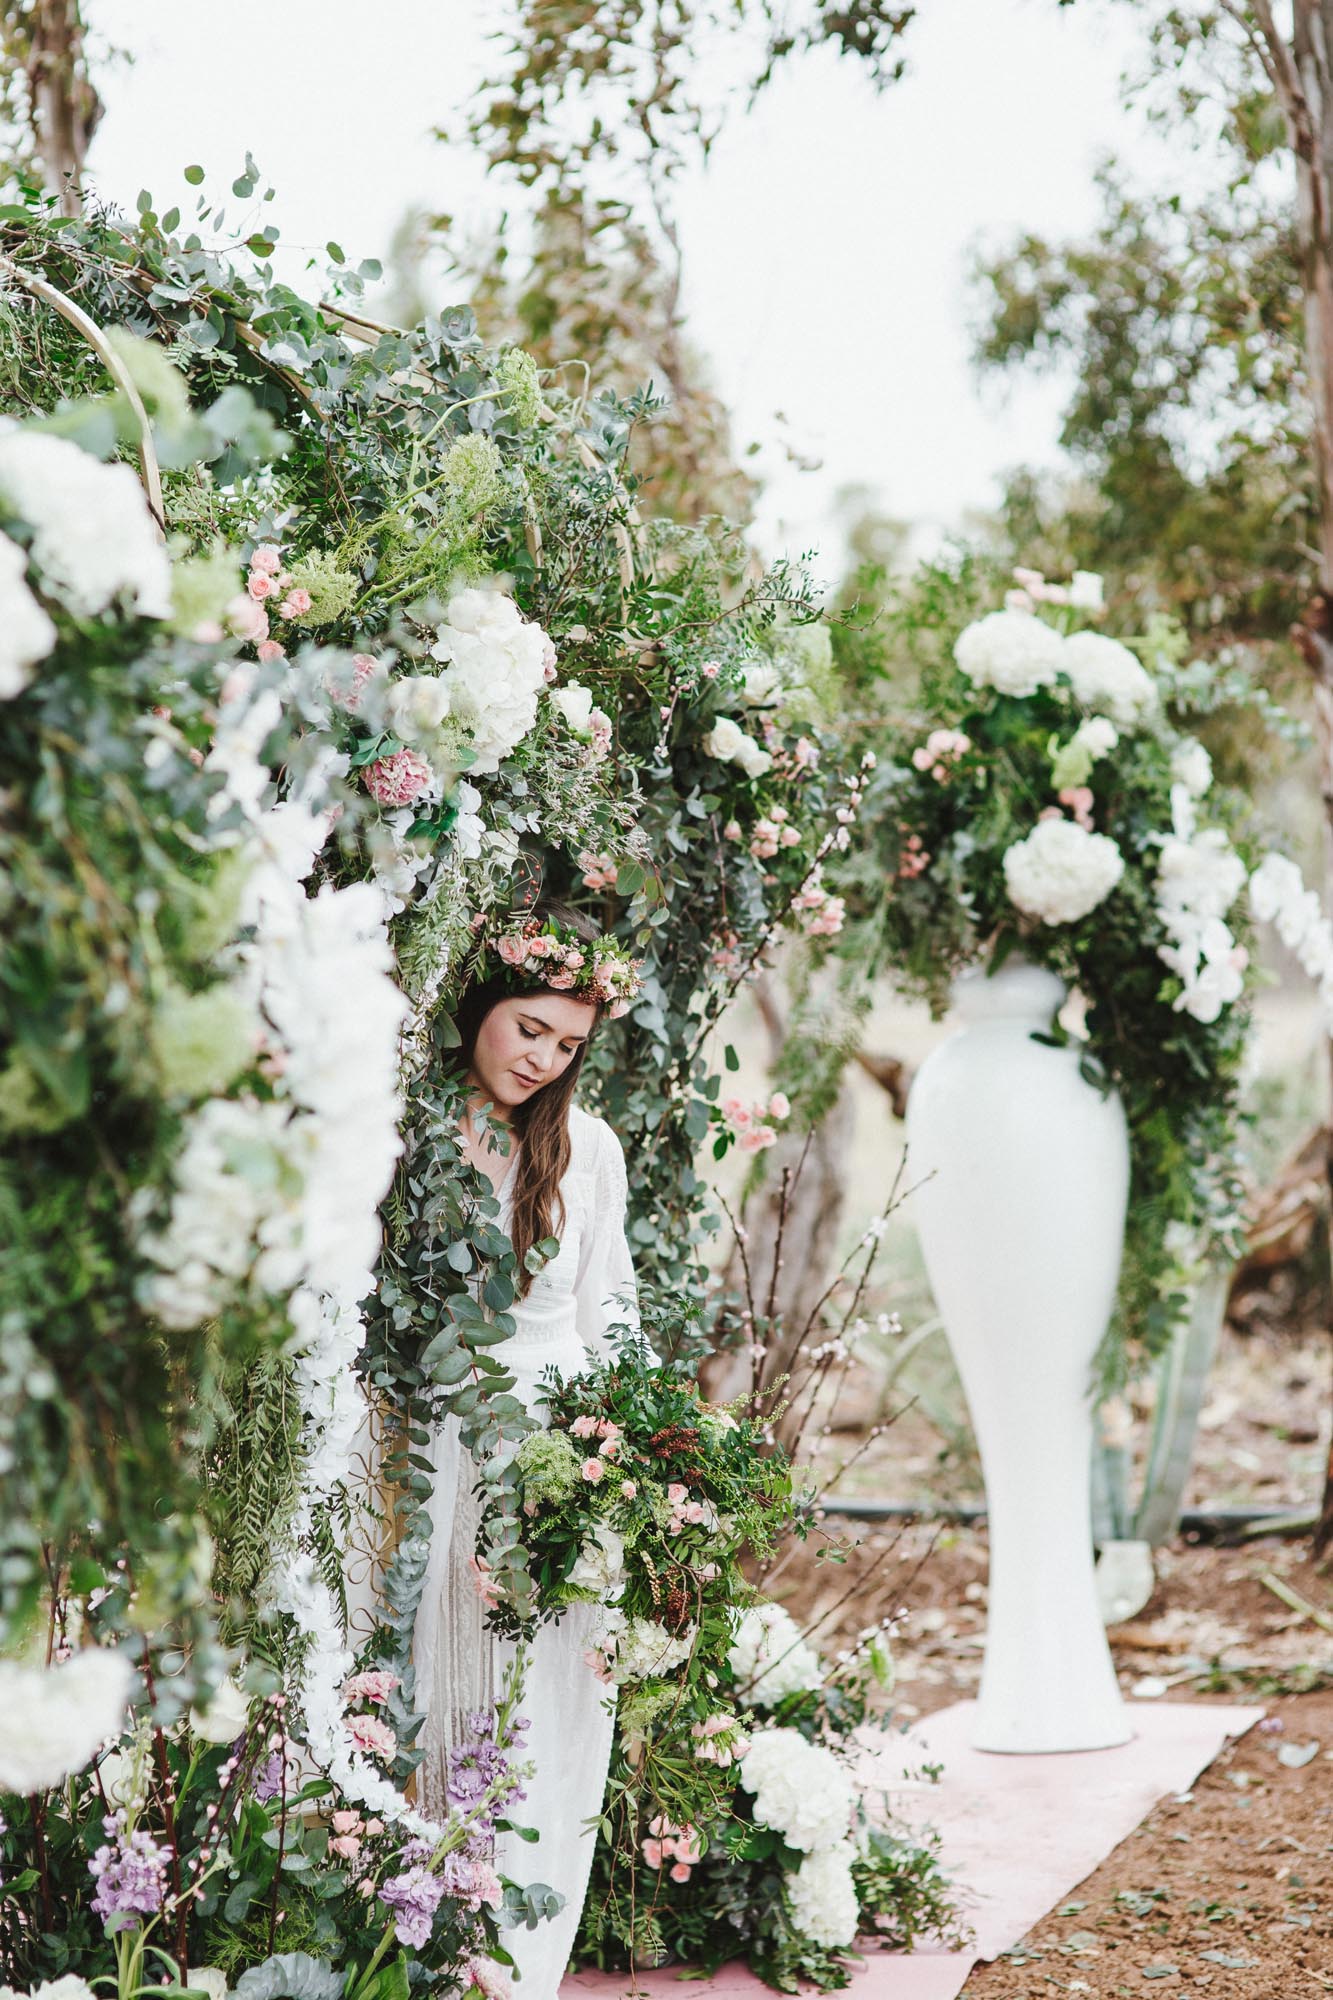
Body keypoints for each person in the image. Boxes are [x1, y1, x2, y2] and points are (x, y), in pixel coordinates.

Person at [411, 900, 643, 1998]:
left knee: (557, 1692)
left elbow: (612, 1312)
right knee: (458, 1683)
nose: (541, 1057)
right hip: (455, 1442)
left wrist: (630, 1454)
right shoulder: (419, 1131)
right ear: (480, 1007)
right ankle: (458, 1937)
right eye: (528, 1029)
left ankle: (531, 1956)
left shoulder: (585, 1146)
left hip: (562, 1447)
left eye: (565, 1045)